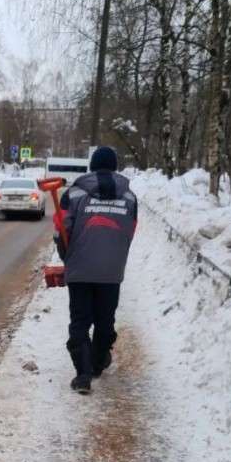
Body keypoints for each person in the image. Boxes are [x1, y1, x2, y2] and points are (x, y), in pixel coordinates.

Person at [53, 145, 138, 395]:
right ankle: (99, 363)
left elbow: (61, 229)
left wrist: (67, 257)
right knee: (104, 318)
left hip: (79, 268)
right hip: (112, 270)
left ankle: (82, 374)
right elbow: (130, 231)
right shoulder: (130, 197)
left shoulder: (76, 193)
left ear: (92, 166)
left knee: (80, 319)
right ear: (115, 166)